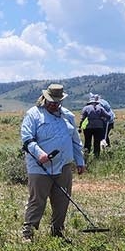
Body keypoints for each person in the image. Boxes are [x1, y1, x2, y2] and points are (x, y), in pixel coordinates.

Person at [18, 83, 86, 240]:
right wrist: (39, 153)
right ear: (45, 99)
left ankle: (57, 232)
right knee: (37, 200)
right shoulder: (33, 115)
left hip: (63, 166)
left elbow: (75, 140)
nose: (54, 105)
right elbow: (27, 139)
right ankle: (28, 234)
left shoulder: (68, 115)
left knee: (62, 200)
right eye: (51, 102)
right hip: (40, 166)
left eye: (57, 102)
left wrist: (80, 160)